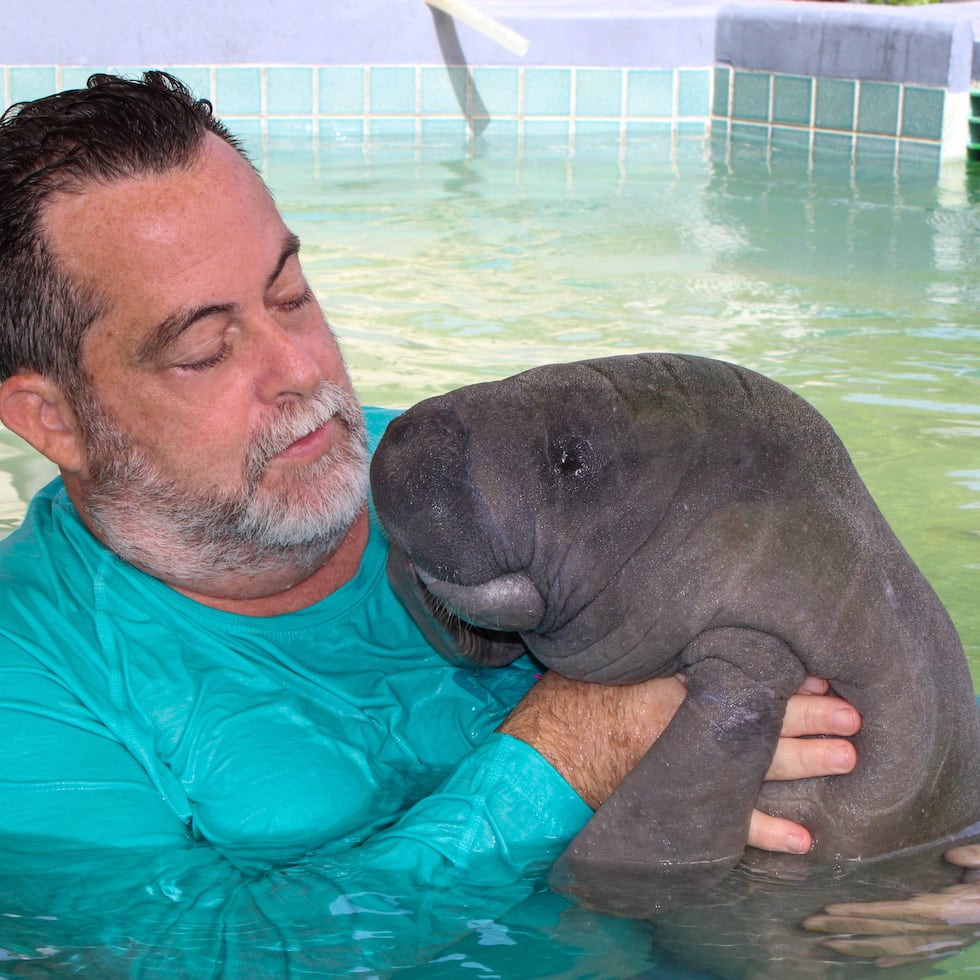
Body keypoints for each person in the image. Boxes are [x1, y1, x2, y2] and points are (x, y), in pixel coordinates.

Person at [0, 70, 865, 976]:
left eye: (291, 295)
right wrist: (576, 748)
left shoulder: (466, 479)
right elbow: (205, 959)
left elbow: (841, 641)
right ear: (52, 421)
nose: (299, 366)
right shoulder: (32, 680)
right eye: (205, 350)